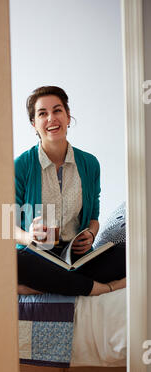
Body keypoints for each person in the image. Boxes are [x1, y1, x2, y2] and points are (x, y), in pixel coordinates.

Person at [15, 86, 126, 296]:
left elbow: (93, 217)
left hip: (77, 257)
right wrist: (30, 237)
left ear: (67, 116)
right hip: (38, 255)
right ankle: (99, 288)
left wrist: (91, 234)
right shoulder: (21, 166)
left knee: (129, 254)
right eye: (42, 114)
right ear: (34, 124)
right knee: (12, 263)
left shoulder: (90, 164)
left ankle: (41, 287)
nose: (51, 118)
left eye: (57, 111)